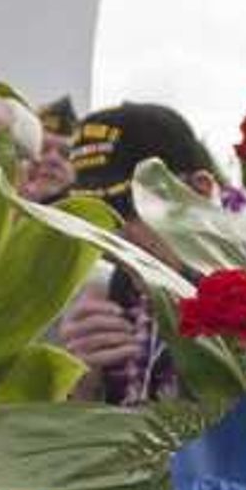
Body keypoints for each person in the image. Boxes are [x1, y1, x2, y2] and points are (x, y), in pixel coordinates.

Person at [49, 100, 223, 403]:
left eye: (127, 205)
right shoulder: (98, 300)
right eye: (92, 215)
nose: (111, 230)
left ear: (200, 191)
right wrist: (79, 384)